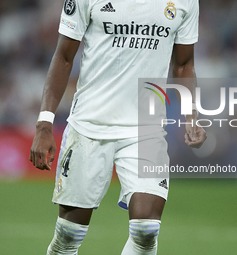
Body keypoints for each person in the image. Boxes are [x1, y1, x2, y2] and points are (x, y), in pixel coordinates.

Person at [30, 0, 206, 254]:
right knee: (68, 235)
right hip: (90, 125)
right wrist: (44, 123)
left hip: (146, 130)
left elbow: (184, 64)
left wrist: (192, 115)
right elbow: (64, 56)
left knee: (146, 230)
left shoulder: (185, 2)